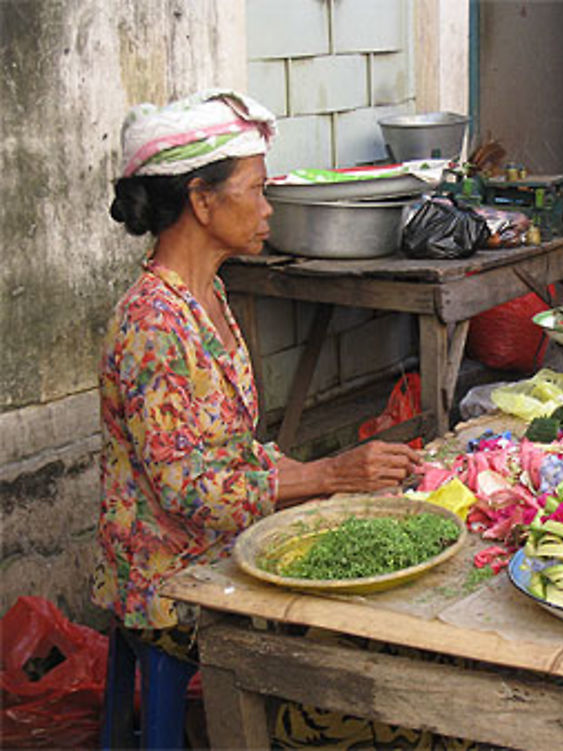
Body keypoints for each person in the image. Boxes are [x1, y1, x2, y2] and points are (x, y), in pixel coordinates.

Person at [92, 89, 439, 747]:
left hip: (231, 543)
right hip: (173, 580)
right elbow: (188, 488)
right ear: (201, 200)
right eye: (255, 190)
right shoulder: (151, 324)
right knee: (361, 670)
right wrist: (326, 473)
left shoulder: (209, 295)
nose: (268, 208)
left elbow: (233, 449)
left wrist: (333, 482)